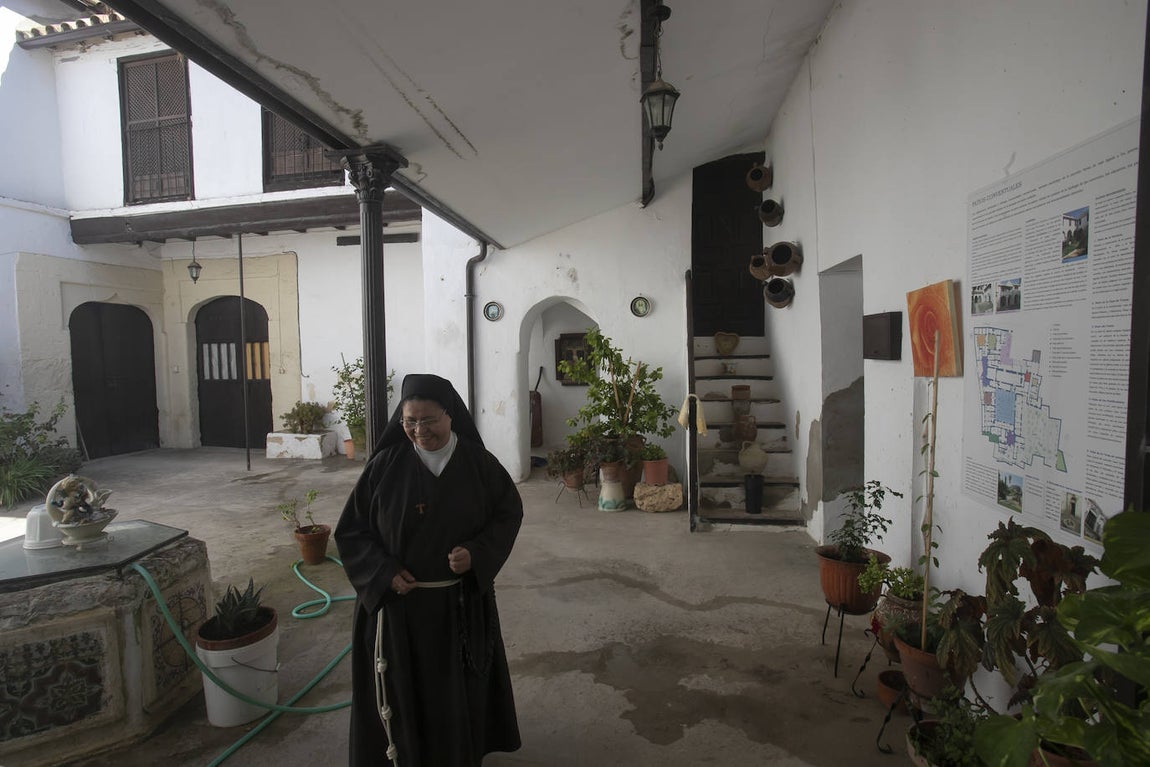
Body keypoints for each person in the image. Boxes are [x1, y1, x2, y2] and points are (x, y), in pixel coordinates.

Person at [336, 373, 523, 766]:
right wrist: (383, 571)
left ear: (450, 414)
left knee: (454, 696)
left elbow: (508, 513)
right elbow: (352, 530)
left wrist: (478, 553)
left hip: (459, 607)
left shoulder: (479, 464)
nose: (420, 430)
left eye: (429, 420)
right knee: (405, 694)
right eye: (410, 421)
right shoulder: (384, 466)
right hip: (398, 611)